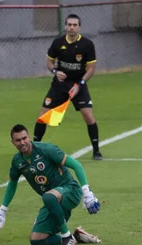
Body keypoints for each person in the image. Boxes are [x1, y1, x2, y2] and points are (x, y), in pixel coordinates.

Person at [0, 124, 102, 245]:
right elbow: (12, 183)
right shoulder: (17, 161)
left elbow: (77, 165)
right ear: (13, 142)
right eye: (18, 140)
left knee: (48, 196)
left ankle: (67, 238)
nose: (22, 142)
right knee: (36, 240)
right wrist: (2, 211)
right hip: (52, 200)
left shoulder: (47, 149)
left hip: (70, 190)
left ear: (29, 137)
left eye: (24, 138)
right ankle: (76, 236)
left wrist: (86, 192)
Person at [33, 14, 103, 161]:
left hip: (79, 84)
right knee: (42, 116)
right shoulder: (57, 43)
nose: (71, 27)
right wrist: (54, 72)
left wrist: (80, 85)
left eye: (74, 25)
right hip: (59, 85)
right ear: (65, 26)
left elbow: (91, 68)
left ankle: (96, 151)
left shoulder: (87, 44)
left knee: (89, 116)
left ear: (79, 27)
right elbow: (49, 62)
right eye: (69, 25)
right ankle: (34, 149)